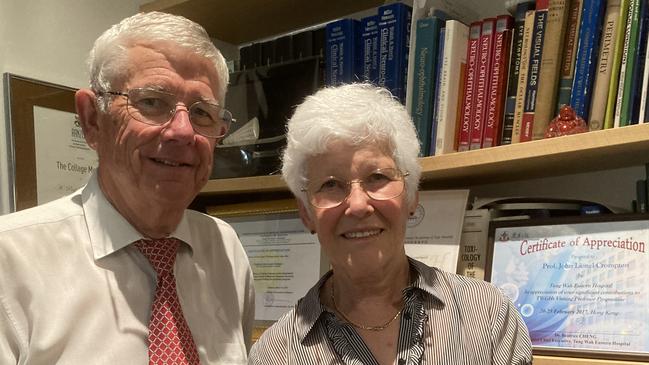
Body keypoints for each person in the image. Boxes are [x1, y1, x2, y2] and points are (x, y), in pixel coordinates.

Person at [0, 12, 254, 364]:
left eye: (202, 113)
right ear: (92, 119)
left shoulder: (225, 249)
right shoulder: (10, 261)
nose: (182, 131)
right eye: (152, 102)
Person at [248, 83, 533, 365]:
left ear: (411, 195)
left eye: (377, 177)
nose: (358, 205)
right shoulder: (275, 354)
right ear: (307, 213)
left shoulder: (489, 317)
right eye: (331, 184)